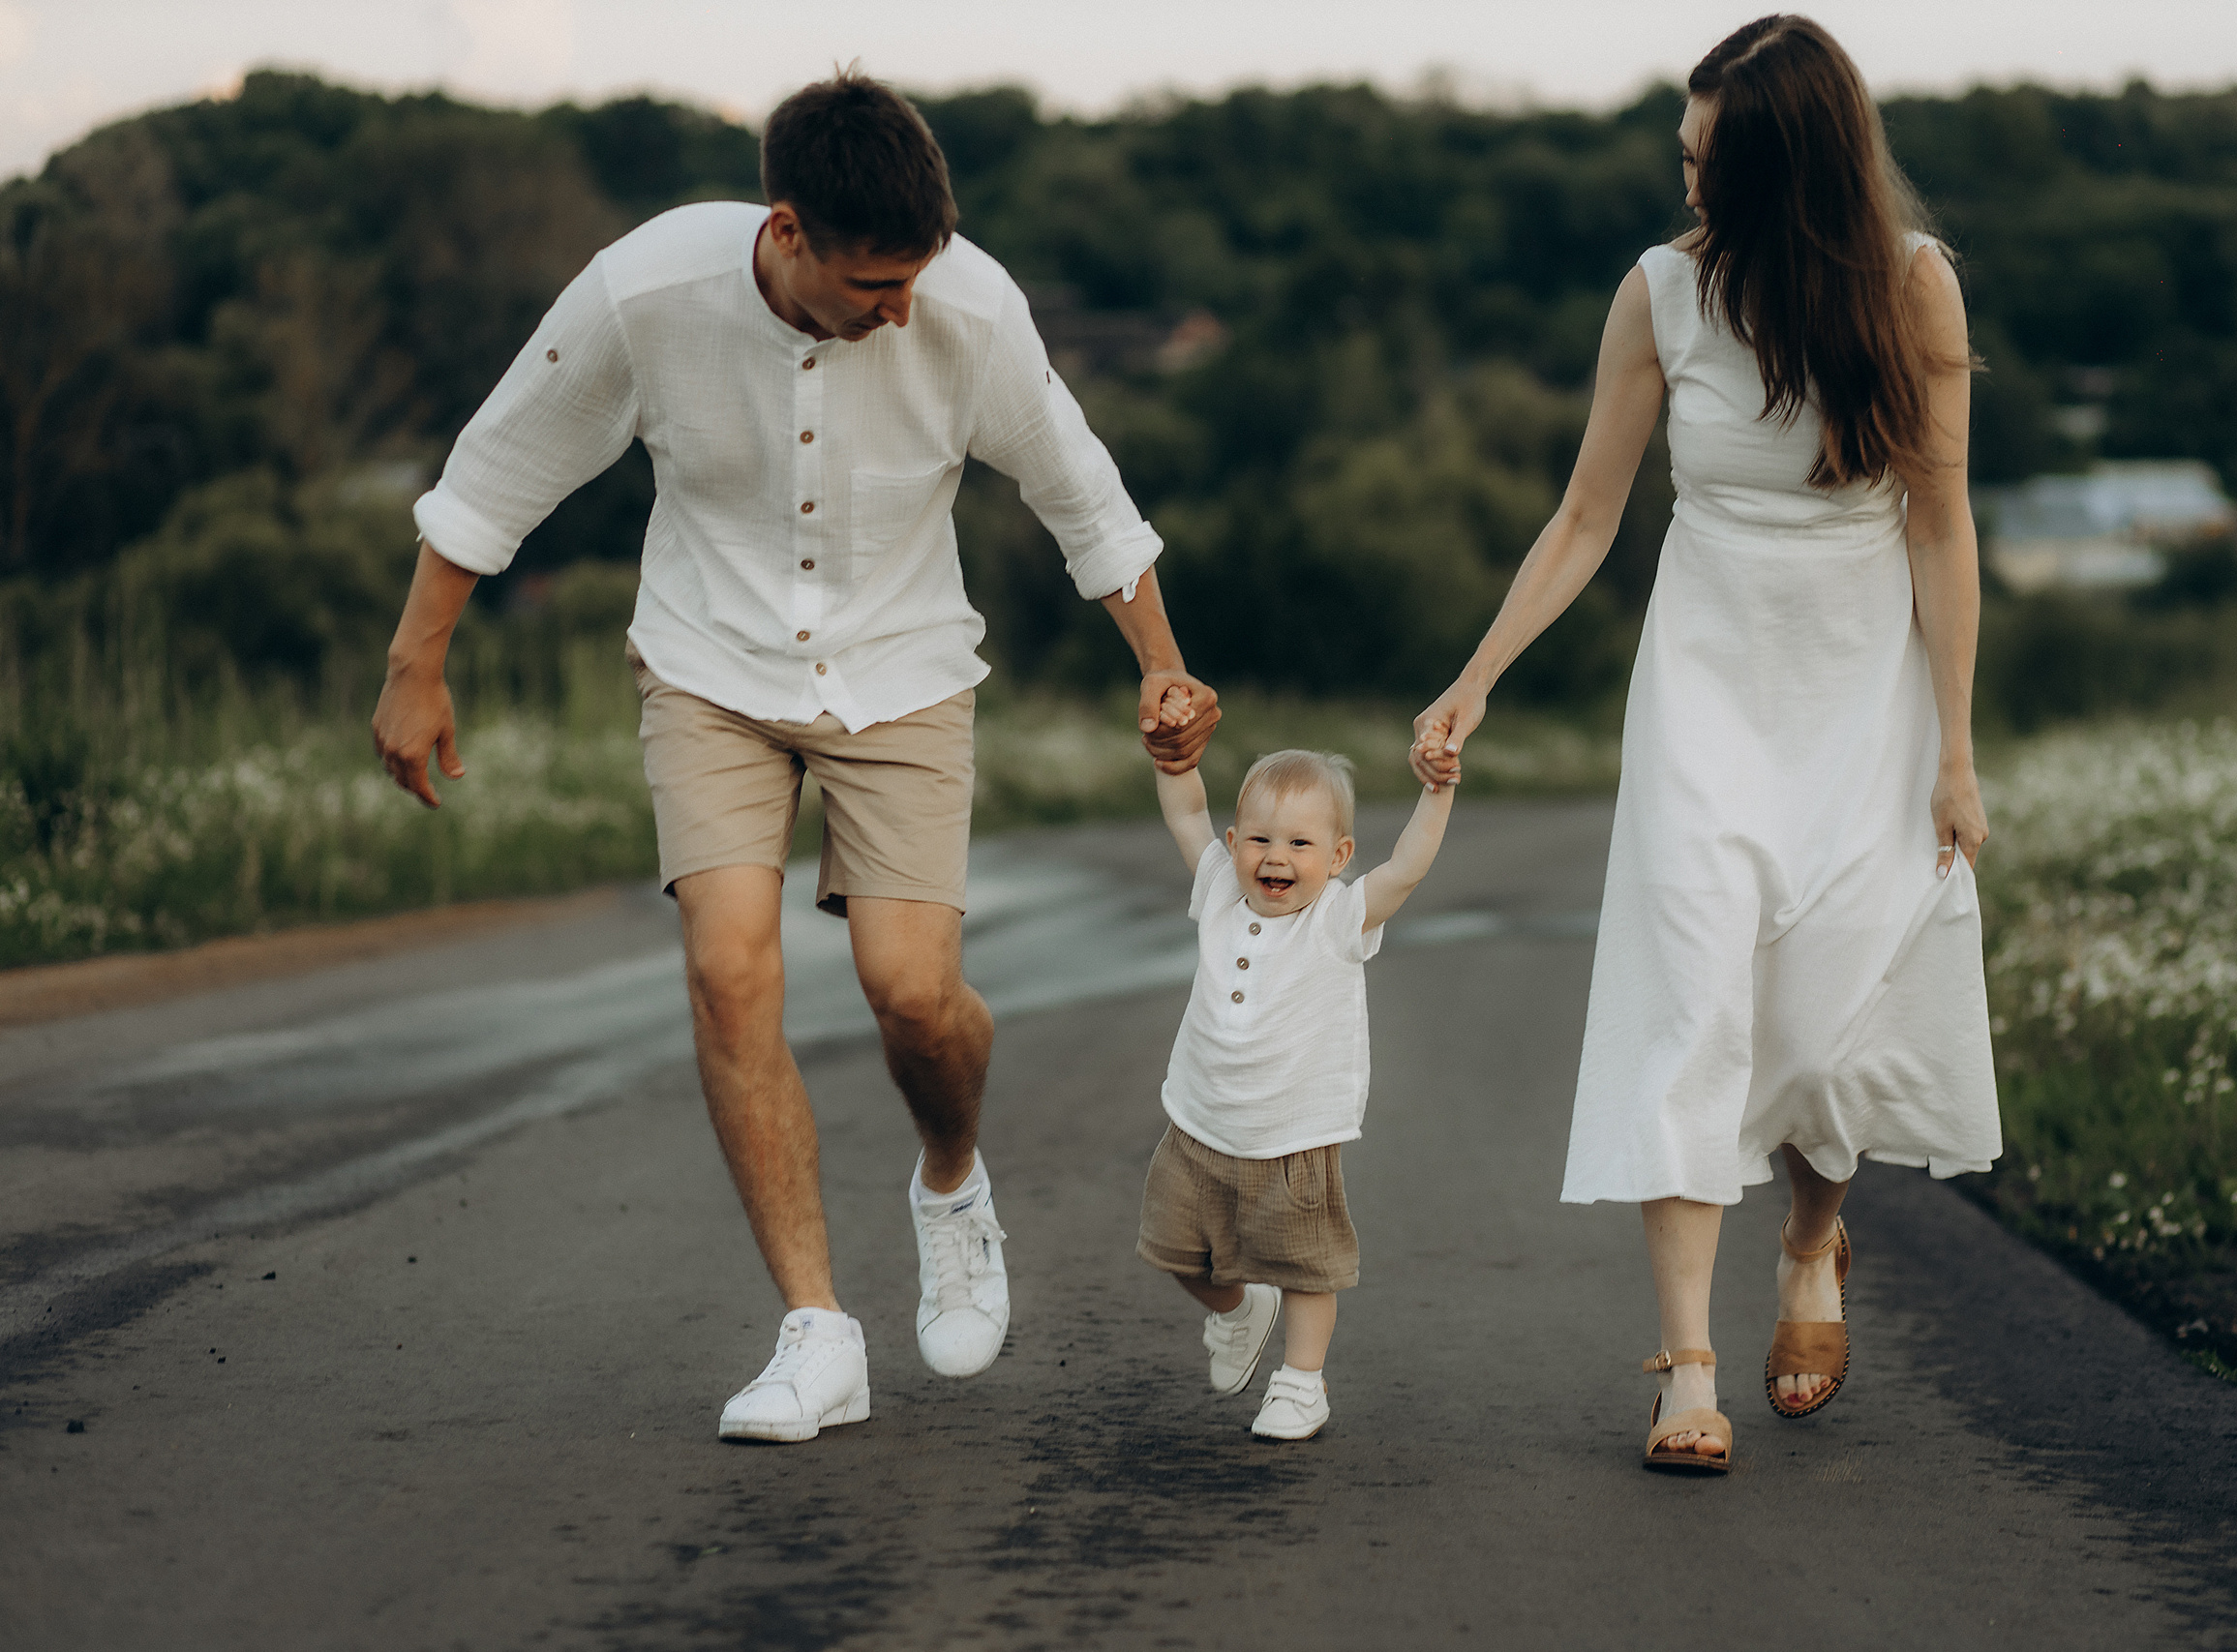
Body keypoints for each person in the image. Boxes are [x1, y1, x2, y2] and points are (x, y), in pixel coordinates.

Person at [370, 72, 1221, 1443]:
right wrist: (417, 664)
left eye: (914, 278)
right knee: (726, 963)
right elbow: (496, 470)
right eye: (873, 282)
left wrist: (1163, 665)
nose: (899, 308)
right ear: (786, 231)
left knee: (911, 992)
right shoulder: (643, 294)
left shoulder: (971, 311)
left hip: (904, 674)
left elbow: (1085, 497)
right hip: (709, 664)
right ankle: (818, 1328)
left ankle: (951, 1179)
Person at [1411, 14, 2000, 1475]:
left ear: (1787, 172)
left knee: (1818, 1025)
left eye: (1709, 164)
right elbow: (1587, 514)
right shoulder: (1661, 297)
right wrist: (1478, 674)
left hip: (1864, 694)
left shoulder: (1916, 292)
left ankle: (1814, 1236)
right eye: (1683, 157)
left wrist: (1958, 749)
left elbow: (1940, 523)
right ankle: (1684, 1362)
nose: (1685, 189)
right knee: (1690, 1008)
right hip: (1705, 685)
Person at [1140, 734, 1454, 1439]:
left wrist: (1438, 791)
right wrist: (1176, 761)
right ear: (1234, 841)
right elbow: (1186, 815)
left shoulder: (1338, 919)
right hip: (1197, 1124)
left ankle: (1302, 1382)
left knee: (1307, 1268)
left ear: (1339, 857)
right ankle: (1237, 1309)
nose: (1275, 856)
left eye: (1300, 843)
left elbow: (1406, 868)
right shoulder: (1220, 887)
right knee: (1173, 1249)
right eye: (1258, 838)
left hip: (1295, 1137)